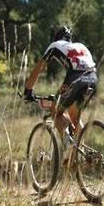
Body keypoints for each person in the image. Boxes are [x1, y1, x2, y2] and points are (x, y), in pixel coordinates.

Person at [24, 26, 98, 159]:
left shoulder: (54, 45)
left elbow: (38, 69)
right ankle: (78, 158)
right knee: (75, 117)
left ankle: (67, 147)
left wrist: (28, 91)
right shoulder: (81, 46)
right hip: (92, 78)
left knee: (56, 110)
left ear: (56, 37)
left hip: (75, 78)